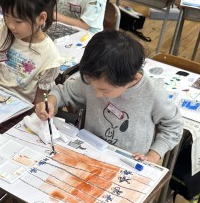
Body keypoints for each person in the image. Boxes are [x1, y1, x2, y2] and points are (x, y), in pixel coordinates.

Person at [35, 30, 183, 165]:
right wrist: (51, 102)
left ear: (131, 79)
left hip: (129, 161)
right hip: (91, 151)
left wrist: (153, 155)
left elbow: (174, 127)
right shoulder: (94, 78)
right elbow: (63, 92)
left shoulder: (153, 93)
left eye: (104, 90)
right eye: (93, 86)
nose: (97, 94)